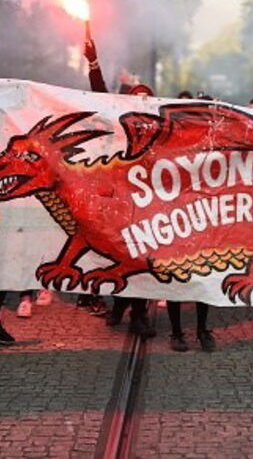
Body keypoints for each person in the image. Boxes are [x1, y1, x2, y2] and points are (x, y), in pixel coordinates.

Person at [85, 37, 154, 336]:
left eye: (146, 98)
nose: (141, 101)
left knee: (142, 260)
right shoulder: (119, 123)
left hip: (149, 207)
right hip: (121, 205)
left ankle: (138, 314)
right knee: (119, 256)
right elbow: (100, 95)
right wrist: (93, 62)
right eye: (136, 97)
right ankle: (119, 305)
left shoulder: (161, 129)